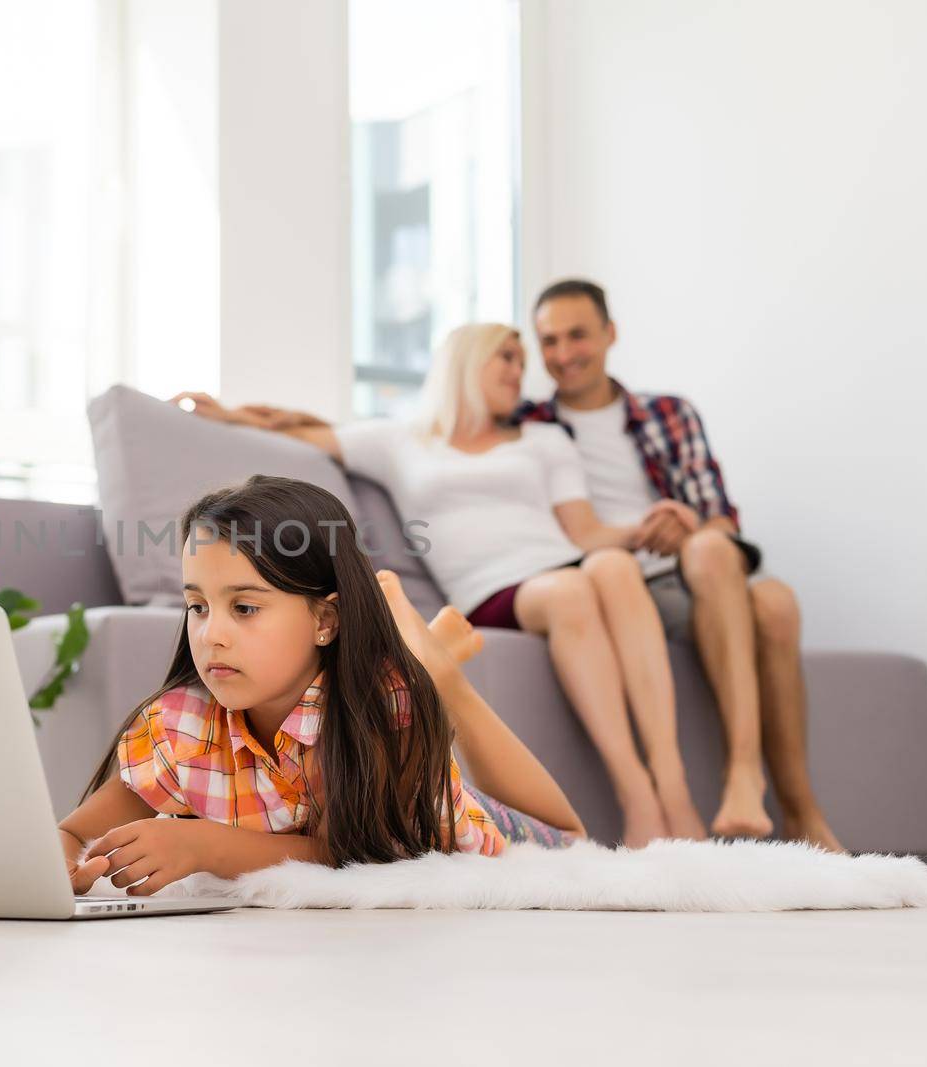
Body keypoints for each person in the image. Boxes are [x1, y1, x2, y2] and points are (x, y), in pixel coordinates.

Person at [171, 325, 709, 848]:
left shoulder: (546, 439)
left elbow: (587, 532)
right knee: (571, 592)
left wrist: (651, 527)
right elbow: (302, 432)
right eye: (506, 356)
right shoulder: (400, 439)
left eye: (522, 361)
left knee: (613, 565)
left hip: (563, 564)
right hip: (497, 587)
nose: (520, 371)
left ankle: (671, 781)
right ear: (466, 361)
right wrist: (227, 412)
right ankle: (635, 793)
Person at [58, 475, 583, 897]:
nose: (211, 635)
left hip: (436, 814)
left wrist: (200, 844)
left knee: (570, 838)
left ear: (325, 621)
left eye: (244, 608)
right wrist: (60, 868)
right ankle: (425, 652)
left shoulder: (377, 709)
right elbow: (76, 832)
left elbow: (347, 857)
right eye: (198, 606)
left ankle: (439, 671)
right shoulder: (182, 724)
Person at [523, 278, 843, 851]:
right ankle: (797, 812)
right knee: (772, 604)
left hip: (695, 574)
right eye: (549, 341)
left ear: (610, 334)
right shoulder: (530, 424)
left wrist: (687, 525)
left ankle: (754, 781)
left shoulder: (667, 412)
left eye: (578, 335)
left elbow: (721, 519)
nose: (563, 353)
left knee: (730, 560)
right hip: (621, 584)